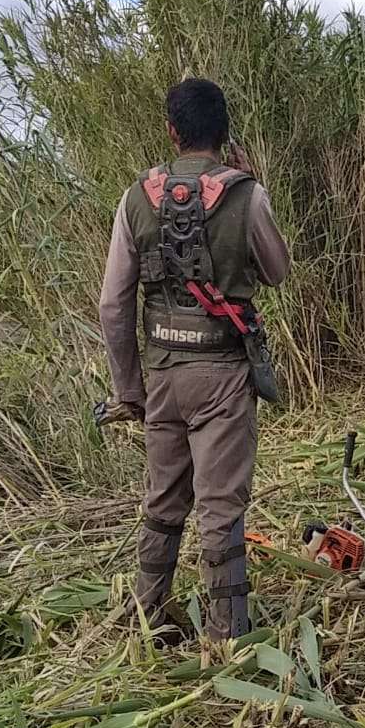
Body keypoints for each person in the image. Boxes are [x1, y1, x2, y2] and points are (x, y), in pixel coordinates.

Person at [98, 77, 290, 642]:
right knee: (220, 509)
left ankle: (147, 615)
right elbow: (277, 272)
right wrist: (256, 185)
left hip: (162, 377)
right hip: (224, 376)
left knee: (163, 501)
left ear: (171, 130)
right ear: (224, 132)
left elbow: (114, 305)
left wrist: (128, 390)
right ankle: (226, 634)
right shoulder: (245, 193)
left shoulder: (136, 198)